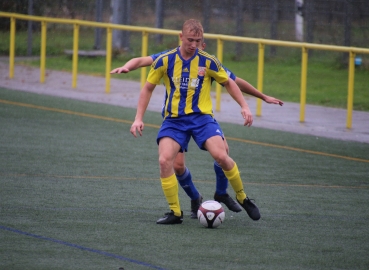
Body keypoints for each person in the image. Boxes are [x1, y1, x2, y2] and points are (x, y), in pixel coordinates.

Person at [111, 37, 283, 220]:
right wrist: (127, 66)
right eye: (190, 41)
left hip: (201, 118)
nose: (194, 46)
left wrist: (262, 97)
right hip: (175, 120)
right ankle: (193, 199)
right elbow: (141, 60)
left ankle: (223, 193)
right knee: (176, 165)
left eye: (198, 43)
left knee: (223, 152)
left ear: (203, 45)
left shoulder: (208, 61)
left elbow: (234, 81)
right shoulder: (167, 58)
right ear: (182, 39)